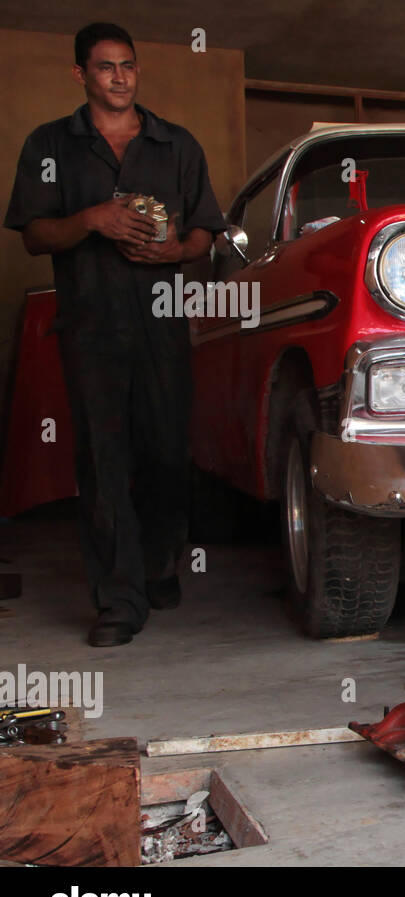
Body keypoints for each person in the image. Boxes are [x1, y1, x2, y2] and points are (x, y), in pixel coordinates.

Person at [4, 22, 228, 646]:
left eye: (128, 65)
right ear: (81, 74)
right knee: (102, 461)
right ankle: (118, 600)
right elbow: (32, 234)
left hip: (161, 320)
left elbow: (206, 227)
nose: (120, 76)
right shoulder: (51, 144)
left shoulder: (174, 144)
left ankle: (159, 566)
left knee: (163, 453)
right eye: (106, 67)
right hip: (92, 326)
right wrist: (91, 219)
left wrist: (180, 249)